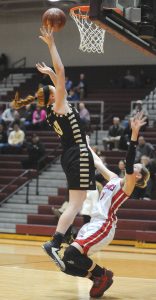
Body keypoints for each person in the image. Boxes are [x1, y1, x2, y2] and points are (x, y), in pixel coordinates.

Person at [11, 27, 96, 267]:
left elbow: (61, 84)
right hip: (77, 153)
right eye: (55, 88)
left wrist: (49, 75)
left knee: (77, 202)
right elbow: (62, 73)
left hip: (72, 154)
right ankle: (56, 243)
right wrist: (51, 45)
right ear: (52, 96)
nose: (59, 88)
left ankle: (66, 234)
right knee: (77, 204)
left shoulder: (53, 109)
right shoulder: (58, 106)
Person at [49, 112, 150, 298]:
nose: (134, 166)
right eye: (135, 166)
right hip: (93, 225)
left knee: (72, 253)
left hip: (104, 225)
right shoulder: (114, 179)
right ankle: (99, 277)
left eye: (137, 168)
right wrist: (85, 146)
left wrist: (134, 134)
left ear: (138, 177)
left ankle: (102, 275)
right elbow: (97, 163)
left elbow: (128, 163)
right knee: (67, 263)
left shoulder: (128, 185)